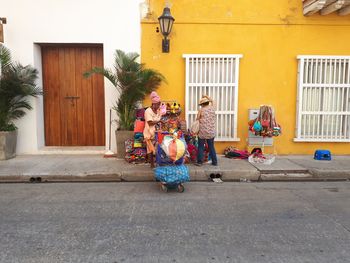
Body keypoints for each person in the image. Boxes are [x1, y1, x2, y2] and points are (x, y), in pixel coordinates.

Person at [195, 95, 218, 166]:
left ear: (202, 104)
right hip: (211, 132)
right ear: (208, 102)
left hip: (202, 132)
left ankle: (199, 162)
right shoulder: (213, 108)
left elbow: (197, 119)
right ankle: (214, 162)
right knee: (211, 147)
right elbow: (212, 101)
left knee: (201, 146)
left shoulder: (201, 110)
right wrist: (206, 96)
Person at [143, 91, 162, 168]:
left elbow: (159, 118)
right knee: (150, 149)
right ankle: (152, 164)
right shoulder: (148, 111)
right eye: (157, 105)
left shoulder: (157, 111)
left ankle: (155, 162)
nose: (158, 106)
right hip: (149, 132)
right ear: (153, 104)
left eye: (159, 104)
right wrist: (158, 121)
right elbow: (150, 123)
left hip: (156, 132)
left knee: (157, 148)